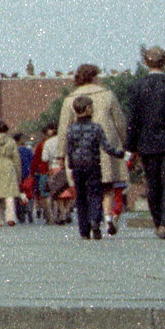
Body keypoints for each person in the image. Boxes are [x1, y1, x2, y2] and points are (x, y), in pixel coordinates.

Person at [123, 47, 165, 239]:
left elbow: (133, 120)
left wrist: (131, 147)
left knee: (153, 183)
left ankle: (157, 220)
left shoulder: (138, 87)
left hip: (147, 143)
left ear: (146, 62)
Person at [56, 66, 128, 234]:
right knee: (107, 185)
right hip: (104, 148)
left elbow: (63, 129)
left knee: (83, 191)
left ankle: (86, 224)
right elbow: (120, 122)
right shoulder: (107, 94)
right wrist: (124, 143)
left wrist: (61, 153)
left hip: (79, 152)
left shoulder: (70, 99)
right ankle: (106, 217)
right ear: (94, 77)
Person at [63, 94, 121, 241]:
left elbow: (69, 148)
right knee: (95, 195)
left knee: (81, 198)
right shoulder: (95, 127)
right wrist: (119, 153)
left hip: (77, 166)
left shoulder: (71, 129)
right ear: (88, 109)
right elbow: (106, 146)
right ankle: (95, 220)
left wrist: (70, 163)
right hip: (93, 165)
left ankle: (84, 229)